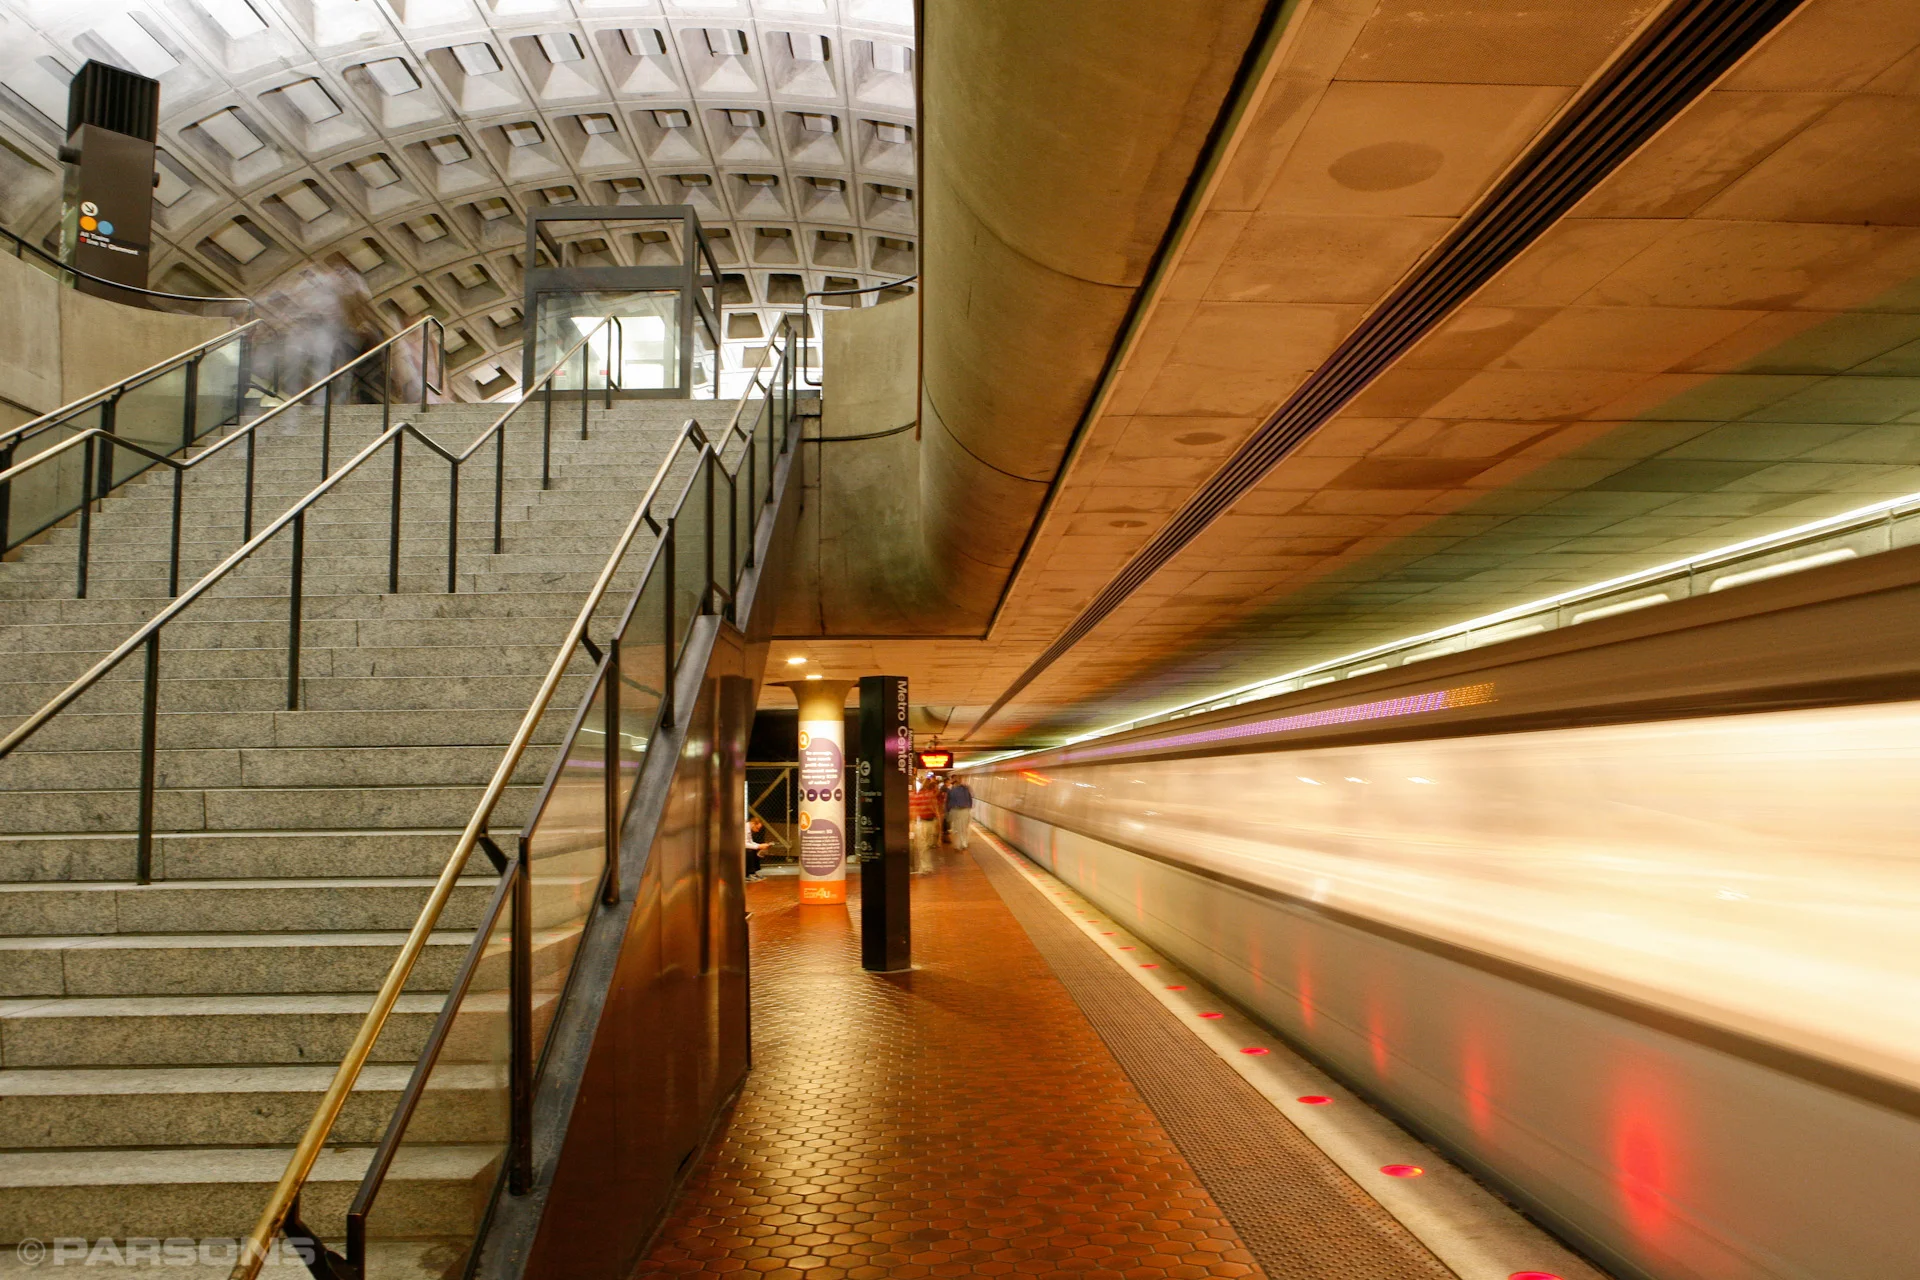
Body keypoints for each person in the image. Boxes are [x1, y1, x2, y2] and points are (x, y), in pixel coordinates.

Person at [945, 777, 974, 850]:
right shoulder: (966, 789)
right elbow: (970, 801)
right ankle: (964, 843)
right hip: (965, 811)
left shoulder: (951, 790)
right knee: (964, 828)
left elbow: (948, 802)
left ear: (954, 783)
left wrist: (948, 812)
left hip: (955, 811)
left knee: (956, 828)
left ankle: (958, 845)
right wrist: (969, 808)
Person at [744, 815, 771, 882]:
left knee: (754, 849)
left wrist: (760, 845)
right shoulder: (744, 828)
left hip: (741, 846)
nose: (758, 830)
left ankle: (753, 873)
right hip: (735, 848)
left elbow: (750, 842)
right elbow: (744, 843)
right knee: (749, 851)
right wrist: (758, 846)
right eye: (757, 828)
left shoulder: (748, 829)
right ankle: (747, 874)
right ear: (753, 824)